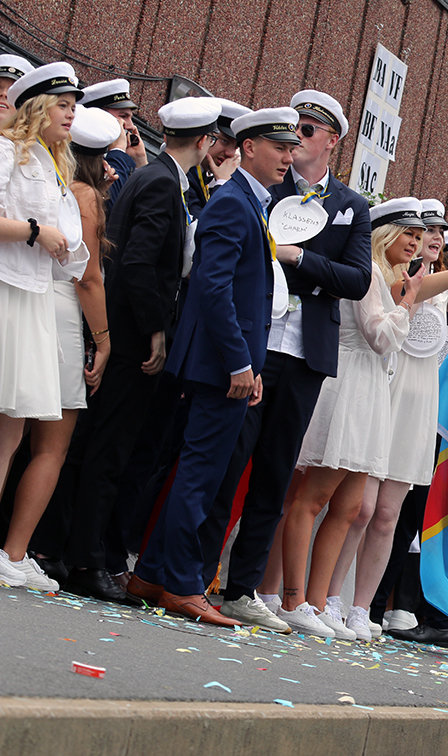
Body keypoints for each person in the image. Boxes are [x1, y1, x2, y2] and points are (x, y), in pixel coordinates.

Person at [194, 91, 373, 633]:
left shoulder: (350, 204)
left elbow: (357, 280)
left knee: (274, 474)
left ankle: (242, 588)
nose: (297, 142)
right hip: (256, 343)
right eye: (291, 133)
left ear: (332, 140)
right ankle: (197, 576)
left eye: (309, 132)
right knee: (228, 462)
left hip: (305, 353)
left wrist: (298, 258)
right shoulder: (265, 186)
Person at [33, 97, 221, 603]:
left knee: (95, 445)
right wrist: (156, 331)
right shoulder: (160, 182)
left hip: (125, 329)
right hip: (134, 336)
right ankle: (85, 559)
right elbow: (139, 264)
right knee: (108, 450)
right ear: (205, 141)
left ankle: (61, 549)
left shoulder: (151, 175)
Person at [125, 107, 302, 626]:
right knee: (200, 478)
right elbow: (213, 289)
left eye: (291, 149)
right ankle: (182, 585)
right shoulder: (232, 202)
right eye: (279, 148)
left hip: (225, 364)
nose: (287, 158)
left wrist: (251, 365)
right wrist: (239, 362)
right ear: (249, 148)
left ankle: (152, 575)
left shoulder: (248, 201)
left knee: (200, 473)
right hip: (217, 367)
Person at [328, 198, 448, 642]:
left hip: (420, 400)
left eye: (440, 230)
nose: (433, 237)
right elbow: (412, 292)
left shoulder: (447, 286)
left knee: (388, 514)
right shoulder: (396, 275)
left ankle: (360, 608)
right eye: (426, 229)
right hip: (385, 389)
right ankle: (330, 598)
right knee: (360, 509)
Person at [270, 199, 425, 639]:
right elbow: (379, 336)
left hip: (370, 389)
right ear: (383, 233)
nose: (414, 242)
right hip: (349, 383)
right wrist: (409, 303)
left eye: (418, 236)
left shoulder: (386, 275)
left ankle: (318, 603)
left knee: (350, 506)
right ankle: (291, 598)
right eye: (407, 233)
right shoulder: (371, 272)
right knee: (312, 497)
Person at [12, 105, 118, 593]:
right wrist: (103, 338)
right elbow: (88, 278)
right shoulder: (81, 193)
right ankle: (15, 551)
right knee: (50, 446)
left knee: (12, 435)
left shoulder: (40, 173)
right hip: (57, 309)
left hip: (29, 298)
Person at [0, 62, 91, 589]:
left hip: (34, 295)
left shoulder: (55, 162)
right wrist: (36, 231)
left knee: (11, 431)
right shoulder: (7, 150)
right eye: (63, 105)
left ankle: (8, 555)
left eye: (74, 106)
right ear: (37, 107)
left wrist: (61, 243)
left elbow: (69, 244)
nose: (71, 114)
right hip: (7, 290)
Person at [80, 79, 146, 208]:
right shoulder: (83, 155)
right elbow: (112, 205)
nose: (131, 126)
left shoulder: (124, 159)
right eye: (123, 116)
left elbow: (143, 206)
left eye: (130, 117)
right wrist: (118, 151)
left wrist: (140, 162)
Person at [184, 98, 247, 217]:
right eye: (224, 141)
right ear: (205, 137)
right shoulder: (186, 175)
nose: (230, 153)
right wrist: (223, 184)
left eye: (235, 147)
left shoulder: (203, 175)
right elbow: (208, 223)